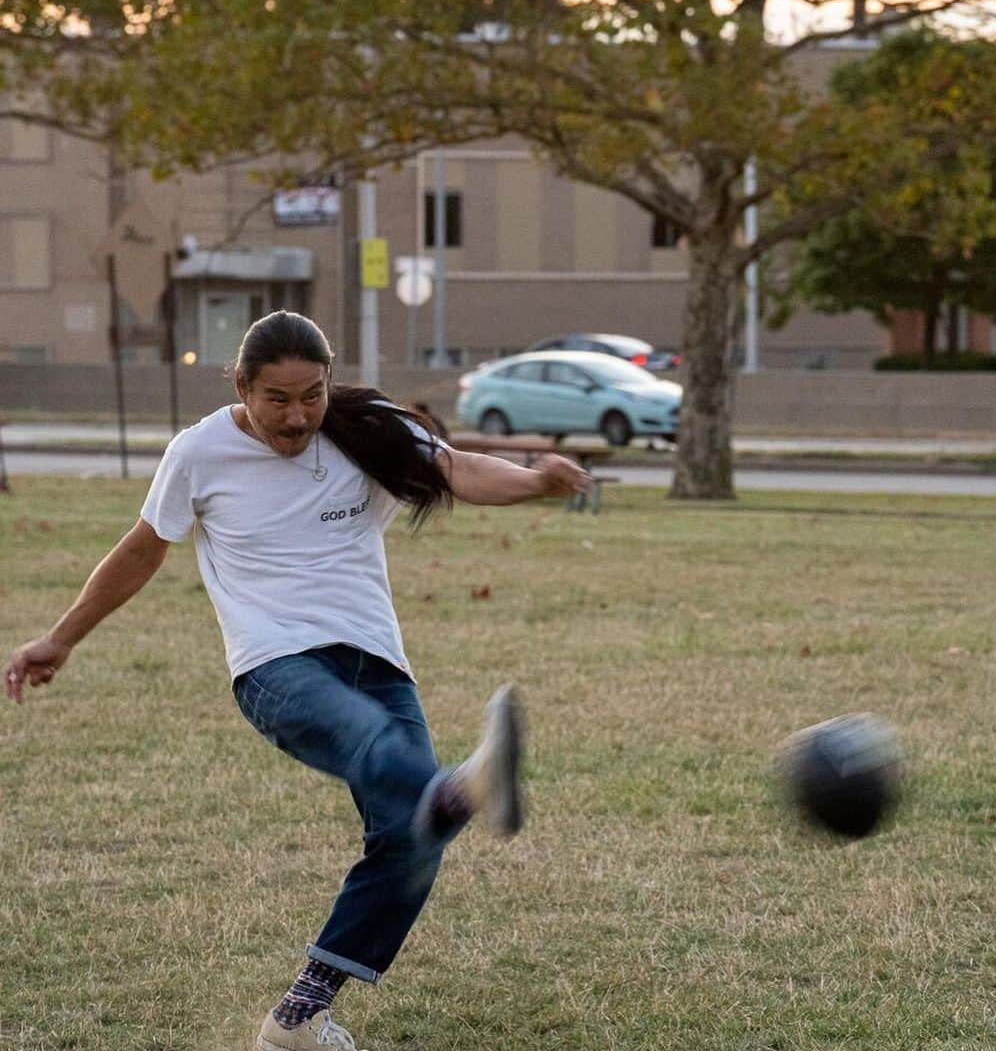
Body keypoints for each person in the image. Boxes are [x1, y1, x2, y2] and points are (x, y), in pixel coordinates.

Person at [3, 311, 592, 1051]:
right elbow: (143, 550)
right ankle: (463, 786)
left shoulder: (365, 428)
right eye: (276, 399)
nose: (297, 415)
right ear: (241, 386)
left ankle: (298, 1018)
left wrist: (538, 480)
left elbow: (457, 468)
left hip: (375, 658)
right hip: (274, 664)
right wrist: (61, 638)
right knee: (382, 754)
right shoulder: (201, 452)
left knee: (410, 838)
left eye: (311, 394)